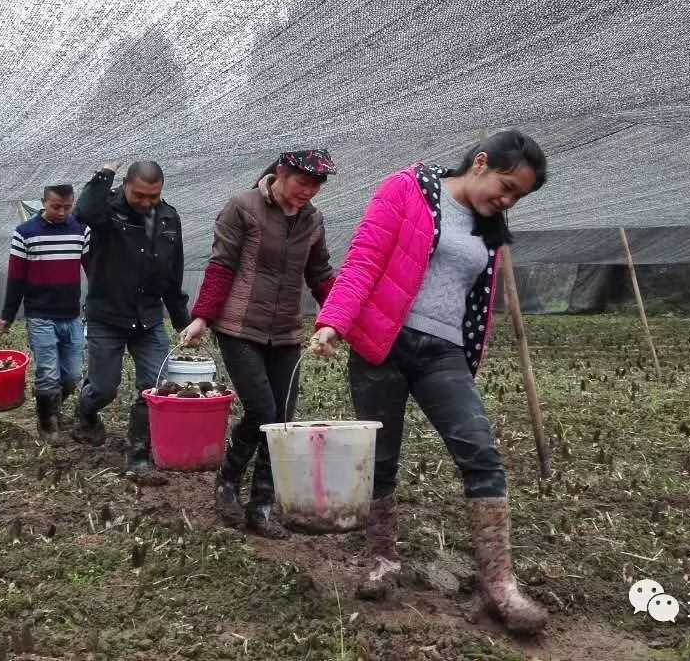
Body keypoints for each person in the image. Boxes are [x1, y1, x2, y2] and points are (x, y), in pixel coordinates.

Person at [310, 129, 550, 634]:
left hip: (445, 354)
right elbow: (364, 260)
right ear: (480, 163)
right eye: (505, 187)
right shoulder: (406, 189)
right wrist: (333, 320)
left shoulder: (490, 230)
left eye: (516, 197)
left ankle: (499, 584)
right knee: (380, 457)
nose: (506, 200)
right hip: (384, 346)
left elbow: (474, 302)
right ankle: (383, 558)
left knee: (479, 451)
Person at [181, 150, 337, 538]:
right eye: (304, 182)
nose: (309, 191)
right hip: (239, 327)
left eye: (317, 185)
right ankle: (228, 480)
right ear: (281, 173)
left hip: (285, 330)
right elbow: (222, 264)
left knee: (281, 417)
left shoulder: (313, 220)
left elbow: (320, 272)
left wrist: (336, 318)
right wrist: (202, 316)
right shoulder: (243, 206)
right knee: (262, 409)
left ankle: (262, 505)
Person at [72, 160, 191, 484]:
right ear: (125, 185)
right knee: (105, 388)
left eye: (153, 196)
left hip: (149, 319)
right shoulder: (106, 210)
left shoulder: (168, 217)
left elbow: (173, 271)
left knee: (155, 389)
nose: (146, 202)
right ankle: (85, 409)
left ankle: (138, 456)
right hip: (106, 317)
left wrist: (184, 322)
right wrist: (103, 174)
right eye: (140, 195)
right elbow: (81, 213)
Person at [0, 184, 90, 444]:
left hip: (72, 315)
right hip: (40, 315)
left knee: (72, 374)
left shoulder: (80, 231)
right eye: (55, 206)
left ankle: (55, 405)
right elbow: (16, 278)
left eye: (67, 206)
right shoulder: (25, 233)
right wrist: (8, 314)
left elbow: (93, 270)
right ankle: (46, 421)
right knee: (48, 372)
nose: (62, 212)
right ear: (43, 203)